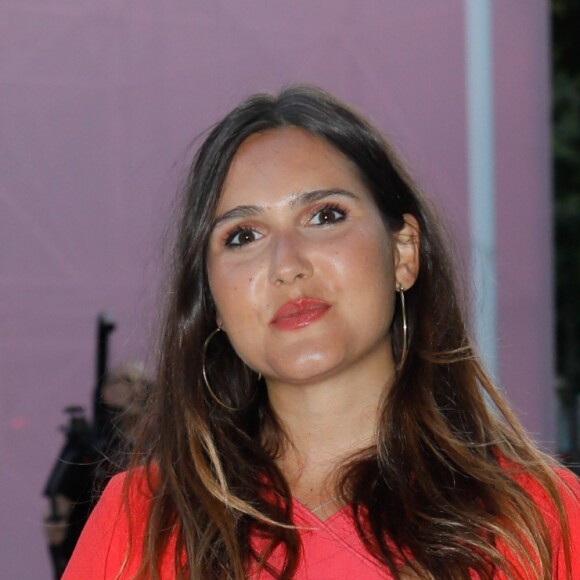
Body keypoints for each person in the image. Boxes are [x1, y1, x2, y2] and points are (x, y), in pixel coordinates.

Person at [63, 85, 579, 579]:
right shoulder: (139, 522)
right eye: (243, 236)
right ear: (212, 301)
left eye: (325, 215)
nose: (286, 265)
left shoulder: (542, 520)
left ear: (403, 253)